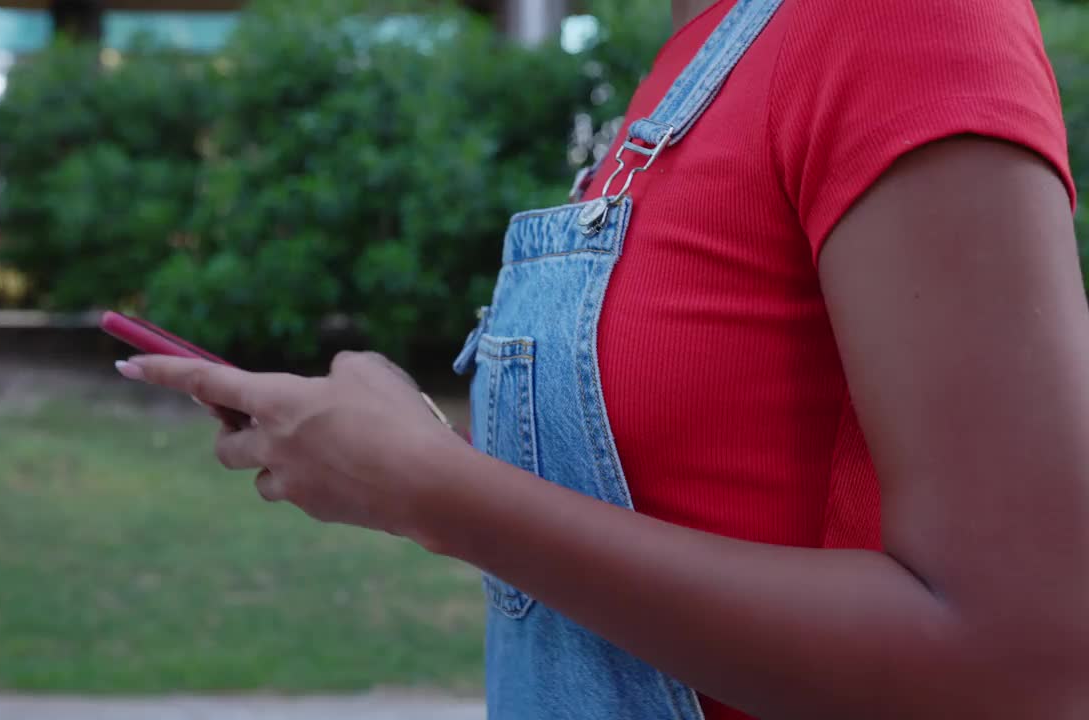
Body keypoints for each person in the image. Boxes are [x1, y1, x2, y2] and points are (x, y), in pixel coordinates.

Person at [114, 0, 1089, 717]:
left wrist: (436, 492)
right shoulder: (695, 54)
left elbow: (1021, 666)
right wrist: (390, 455)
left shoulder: (903, 26)